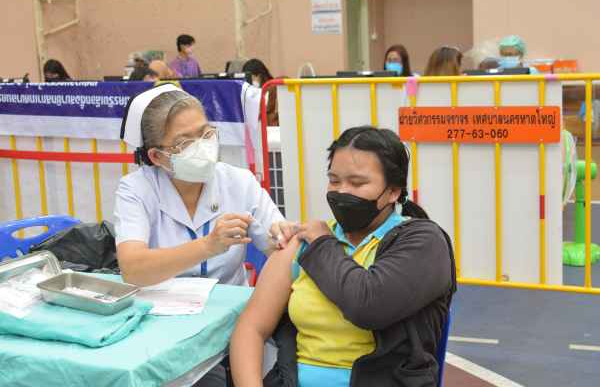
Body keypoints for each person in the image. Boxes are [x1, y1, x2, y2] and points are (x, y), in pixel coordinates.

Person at [230, 126, 456, 387]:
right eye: (335, 181)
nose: (342, 192)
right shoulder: (303, 242)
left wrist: (322, 243)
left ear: (393, 191)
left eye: (357, 183)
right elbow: (251, 328)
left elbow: (368, 306)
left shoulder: (423, 242)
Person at [115, 83, 297, 288]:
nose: (202, 146)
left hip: (231, 304)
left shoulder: (240, 182)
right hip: (161, 305)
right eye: (184, 143)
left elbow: (282, 253)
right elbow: (133, 270)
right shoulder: (136, 189)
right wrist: (208, 246)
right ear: (157, 156)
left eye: (206, 134)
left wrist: (282, 238)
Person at [242, 58, 279, 126]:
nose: (248, 82)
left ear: (259, 75)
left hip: (270, 127)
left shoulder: (272, 88)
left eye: (250, 78)